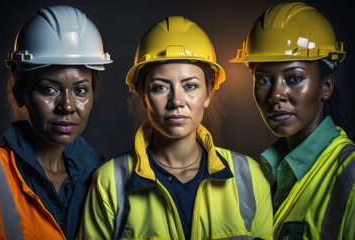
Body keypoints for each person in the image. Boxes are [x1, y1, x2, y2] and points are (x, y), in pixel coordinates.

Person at [77, 16, 273, 240]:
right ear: (142, 96)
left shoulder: (250, 177)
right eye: (161, 87)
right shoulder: (109, 181)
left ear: (209, 93)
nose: (176, 101)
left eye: (190, 86)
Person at [231, 2, 355, 239]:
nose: (276, 94)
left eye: (294, 78)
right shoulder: (263, 177)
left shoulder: (349, 176)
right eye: (264, 79)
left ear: (325, 86)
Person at [0, 5, 112, 240]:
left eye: (80, 90)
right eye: (49, 89)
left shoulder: (107, 178)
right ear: (20, 91)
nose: (67, 106)